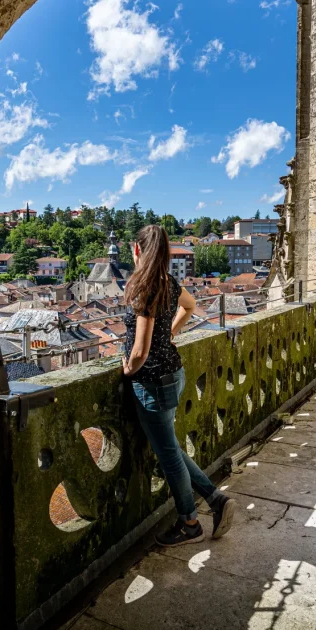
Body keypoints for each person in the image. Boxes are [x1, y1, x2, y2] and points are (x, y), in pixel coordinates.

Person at [122, 225, 235, 547]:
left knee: (169, 455)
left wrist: (129, 367)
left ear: (137, 250)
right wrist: (169, 334)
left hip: (151, 382)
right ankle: (215, 499)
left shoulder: (145, 288)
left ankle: (190, 523)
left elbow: (140, 350)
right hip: (173, 373)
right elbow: (190, 305)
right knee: (170, 447)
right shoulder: (168, 283)